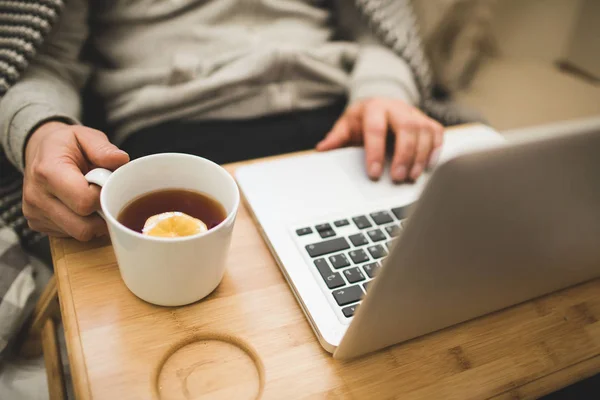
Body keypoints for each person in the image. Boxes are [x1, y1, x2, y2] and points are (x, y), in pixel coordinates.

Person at [0, 0, 468, 242]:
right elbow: (44, 62)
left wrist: (384, 93)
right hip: (178, 138)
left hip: (345, 125)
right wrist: (41, 130)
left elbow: (377, 31)